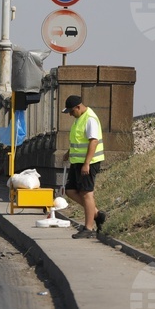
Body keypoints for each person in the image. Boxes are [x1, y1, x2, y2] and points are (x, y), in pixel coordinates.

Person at [61, 95, 107, 239]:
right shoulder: (79, 118)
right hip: (77, 162)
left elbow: (93, 142)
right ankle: (96, 214)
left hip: (88, 163)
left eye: (71, 111)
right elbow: (79, 140)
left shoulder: (90, 119)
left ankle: (88, 228)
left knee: (87, 193)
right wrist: (69, 153)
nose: (70, 114)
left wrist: (87, 163)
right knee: (70, 190)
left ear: (78, 107)